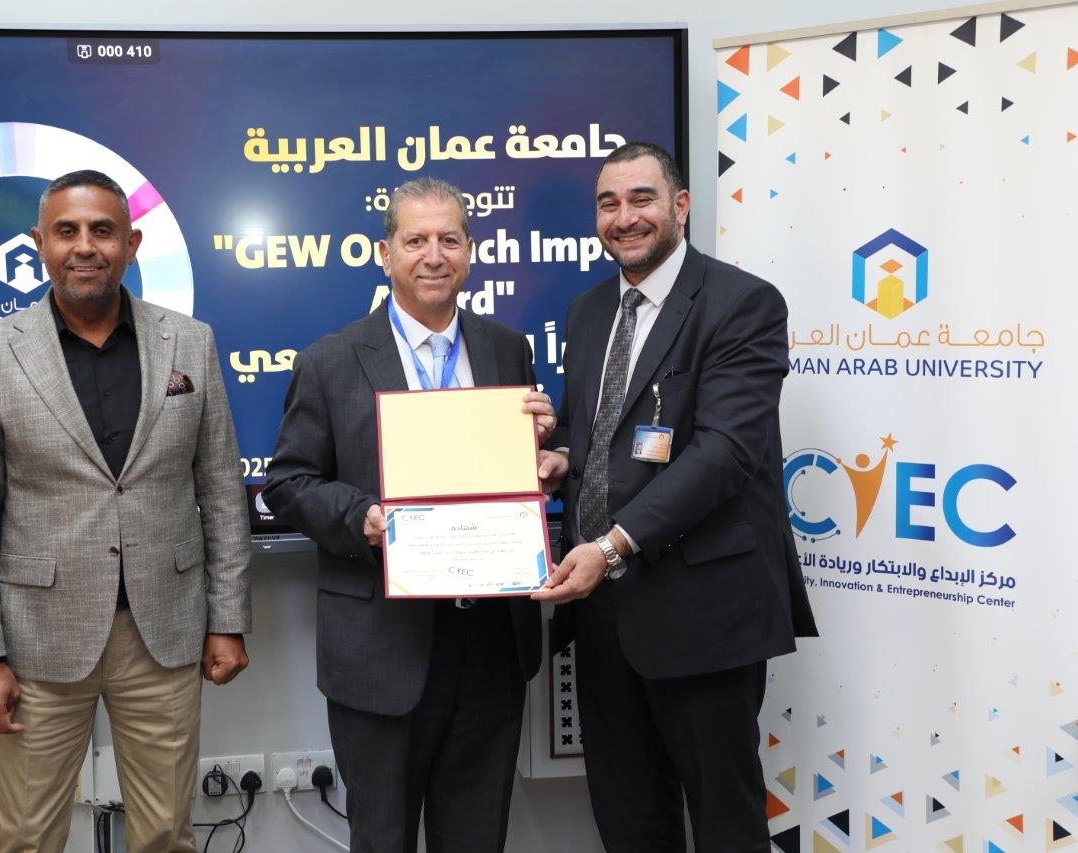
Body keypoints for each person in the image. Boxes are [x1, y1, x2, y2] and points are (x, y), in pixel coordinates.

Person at [0, 169, 252, 852]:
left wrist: (228, 619)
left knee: (166, 832)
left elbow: (221, 493)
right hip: (37, 642)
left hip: (164, 632)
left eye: (103, 231)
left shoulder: (189, 342)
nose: (86, 246)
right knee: (28, 835)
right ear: (40, 244)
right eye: (67, 231)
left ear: (131, 245)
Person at [534, 142, 818, 851]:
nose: (624, 217)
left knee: (724, 822)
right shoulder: (588, 311)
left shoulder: (741, 303)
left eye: (642, 199)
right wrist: (559, 456)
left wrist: (611, 545)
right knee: (629, 818)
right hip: (602, 613)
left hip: (703, 608)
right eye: (608, 203)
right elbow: (603, 433)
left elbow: (725, 453)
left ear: (680, 205)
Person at [263, 177, 554, 853]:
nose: (434, 255)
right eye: (416, 240)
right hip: (380, 647)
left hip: (490, 644)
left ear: (470, 251)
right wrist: (363, 516)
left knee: (477, 838)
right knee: (383, 839)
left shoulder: (507, 348)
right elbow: (288, 482)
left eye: (449, 239)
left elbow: (517, 472)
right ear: (385, 253)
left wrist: (541, 451)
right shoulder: (330, 359)